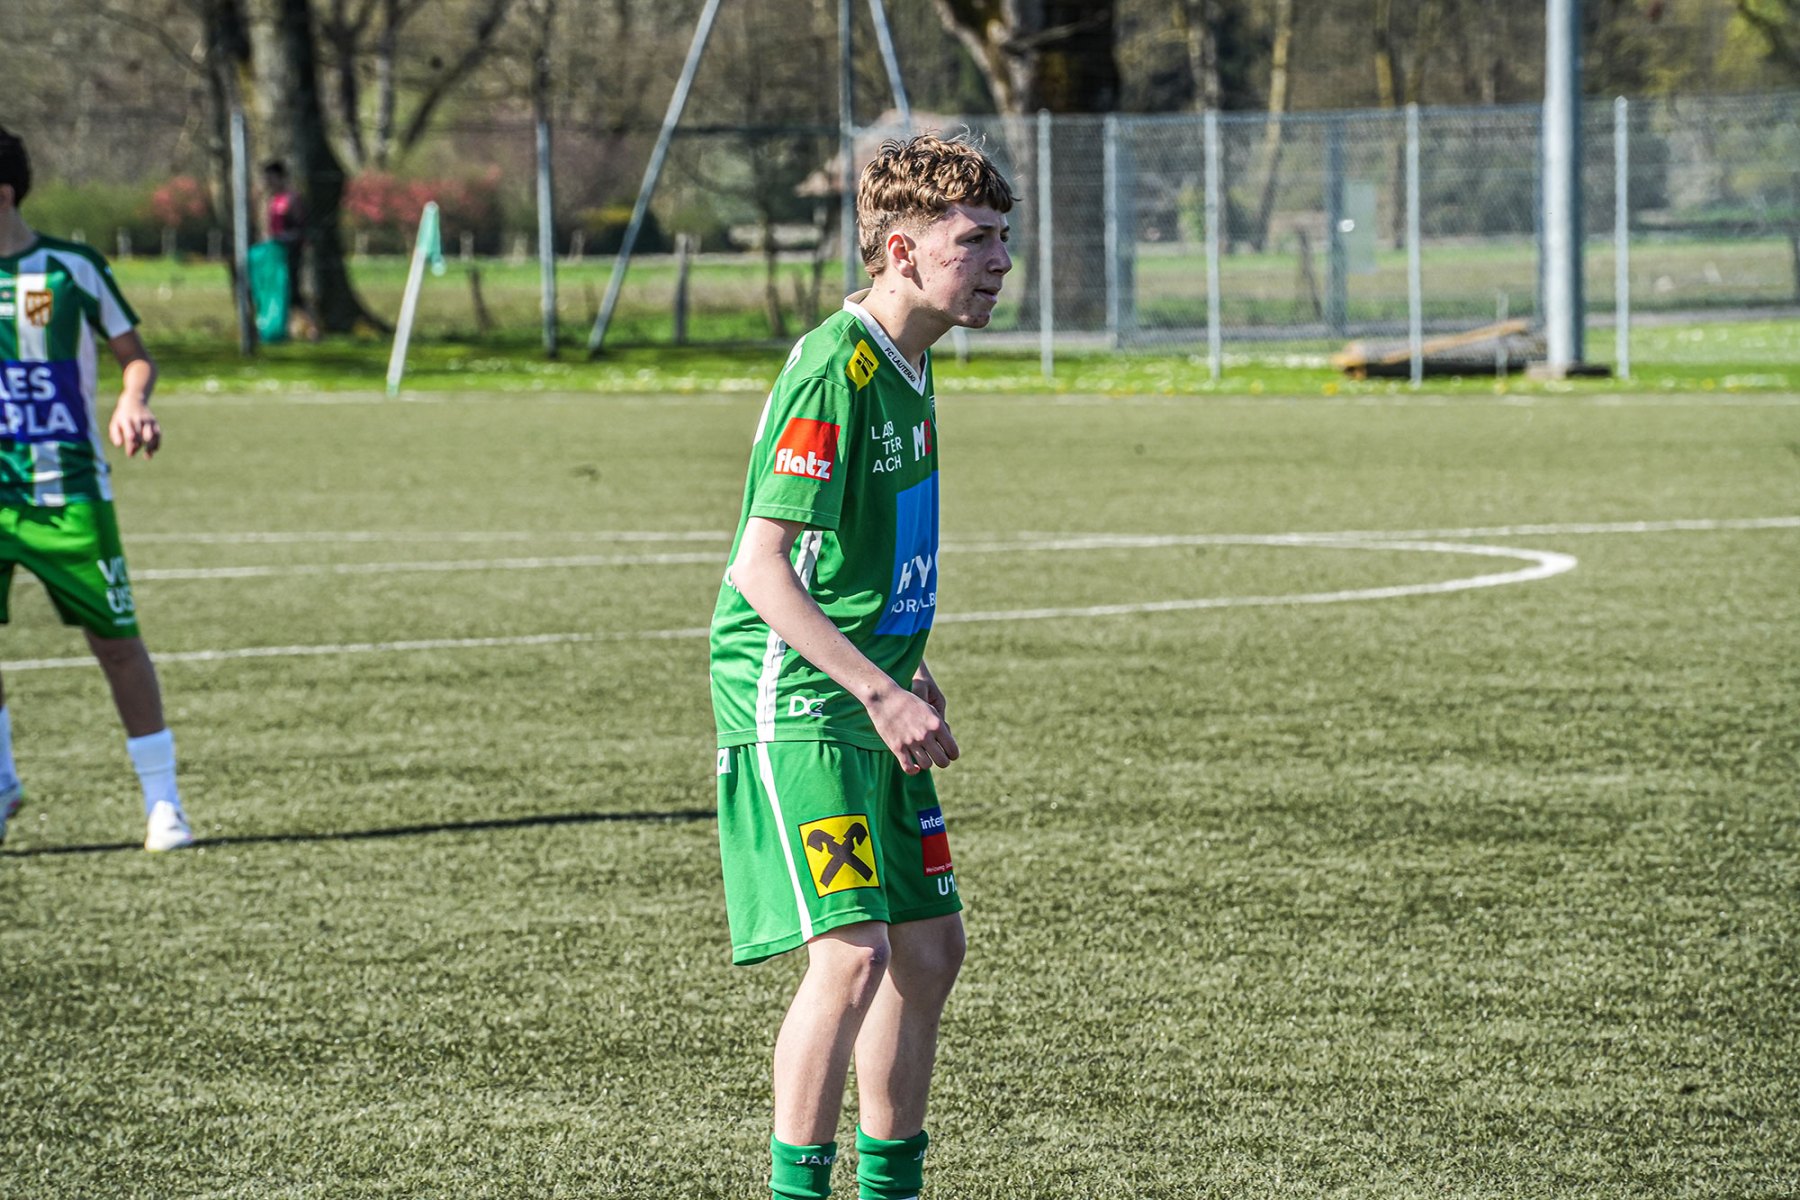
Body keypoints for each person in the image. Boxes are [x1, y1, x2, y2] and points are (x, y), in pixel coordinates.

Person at [708, 132, 1013, 1200]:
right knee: (851, 958)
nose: (999, 262)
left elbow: (854, 556)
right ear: (901, 250)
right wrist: (874, 686)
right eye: (974, 241)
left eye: (1002, 239)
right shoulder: (836, 371)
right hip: (801, 699)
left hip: (867, 687)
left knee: (930, 953)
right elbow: (759, 568)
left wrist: (903, 664)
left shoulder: (910, 363)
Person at [0, 126, 193, 852]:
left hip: (68, 492)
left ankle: (163, 802)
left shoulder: (70, 268)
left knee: (116, 643)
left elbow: (133, 356)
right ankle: (2, 782)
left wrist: (131, 400)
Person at [261, 159, 318, 341]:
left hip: (291, 251)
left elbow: (302, 228)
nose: (268, 182)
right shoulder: (272, 200)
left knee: (293, 292)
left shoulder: (292, 199)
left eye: (271, 178)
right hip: (275, 253)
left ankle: (313, 328)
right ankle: (284, 329)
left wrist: (286, 238)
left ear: (280, 177)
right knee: (278, 291)